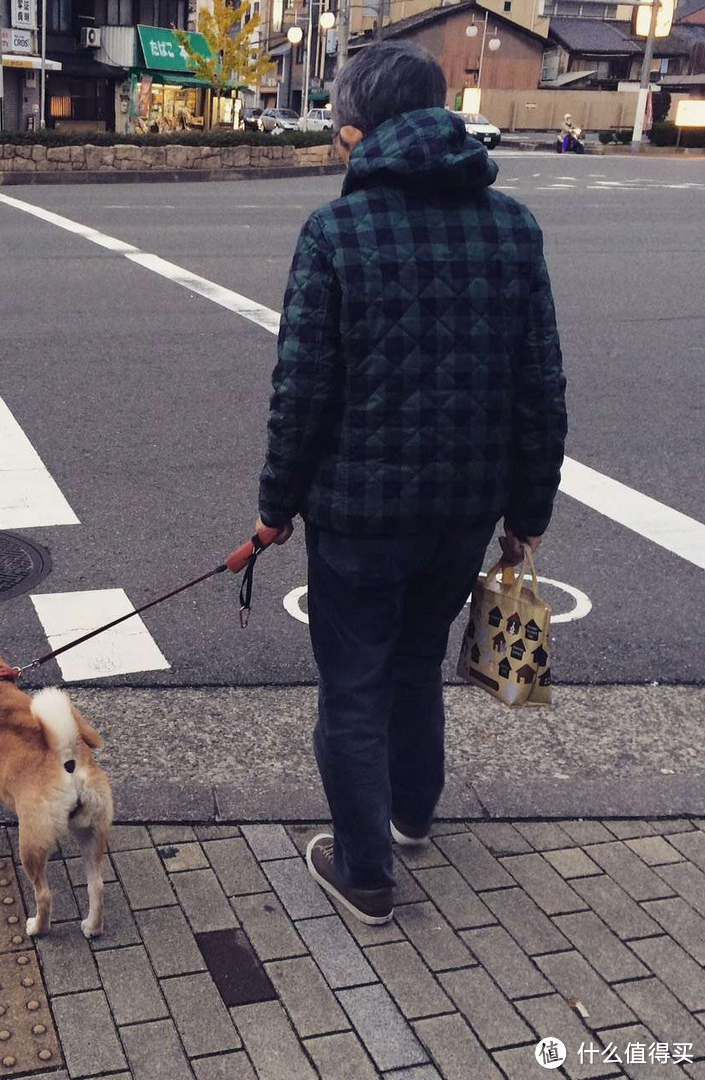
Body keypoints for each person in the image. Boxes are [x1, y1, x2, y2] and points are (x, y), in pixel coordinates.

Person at [256, 41, 567, 925]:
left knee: (352, 683)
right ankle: (410, 814)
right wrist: (529, 511)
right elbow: (539, 382)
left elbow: (301, 390)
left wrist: (276, 507)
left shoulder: (336, 231)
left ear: (358, 127)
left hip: (359, 513)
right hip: (465, 507)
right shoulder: (512, 226)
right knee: (416, 662)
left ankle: (363, 872)